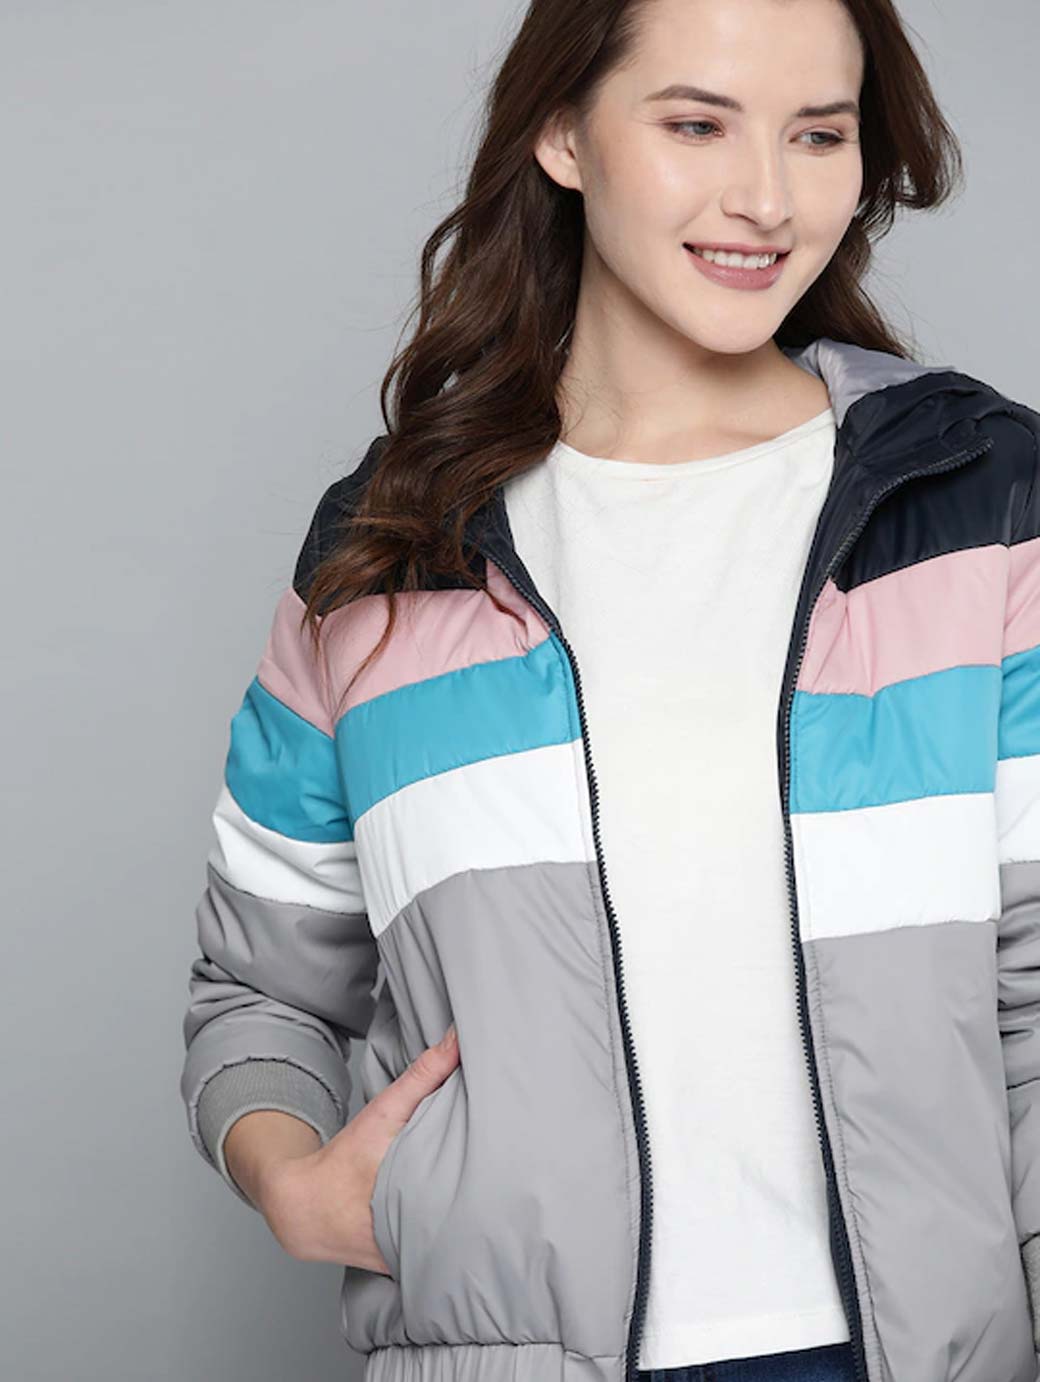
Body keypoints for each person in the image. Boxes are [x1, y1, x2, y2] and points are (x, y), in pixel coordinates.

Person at [178, 1, 1040, 1380]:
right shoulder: (389, 557)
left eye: (819, 135)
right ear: (563, 134)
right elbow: (256, 983)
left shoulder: (978, 509)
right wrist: (292, 1177)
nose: (767, 198)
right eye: (697, 124)